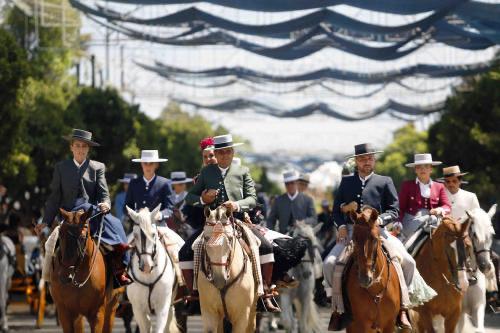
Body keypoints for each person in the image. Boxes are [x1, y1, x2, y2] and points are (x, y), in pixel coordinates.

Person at [323, 144, 434, 331]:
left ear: (374, 160)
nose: (367, 161)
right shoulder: (346, 182)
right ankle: (337, 308)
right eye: (363, 159)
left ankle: (403, 308)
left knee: (408, 262)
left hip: (378, 231)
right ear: (356, 161)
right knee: (329, 263)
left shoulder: (385, 181)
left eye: (370, 158)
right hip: (352, 232)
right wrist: (341, 225)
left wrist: (380, 220)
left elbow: (394, 209)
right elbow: (336, 210)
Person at [180, 134, 281, 313]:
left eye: (228, 152)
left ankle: (265, 292)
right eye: (221, 152)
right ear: (216, 154)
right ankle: (194, 294)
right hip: (212, 223)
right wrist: (203, 198)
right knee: (186, 251)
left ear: (233, 152)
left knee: (265, 247)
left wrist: (236, 205)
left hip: (238, 221)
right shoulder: (206, 173)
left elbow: (252, 198)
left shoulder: (243, 171)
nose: (225, 155)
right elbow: (189, 198)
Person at [37, 129, 132, 286]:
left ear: (88, 149)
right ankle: (48, 277)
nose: (81, 149)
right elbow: (54, 197)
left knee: (116, 223)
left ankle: (120, 270)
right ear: (71, 147)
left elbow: (104, 193)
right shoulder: (61, 167)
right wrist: (46, 221)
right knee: (49, 244)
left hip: (91, 214)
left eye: (84, 146)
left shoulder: (97, 167)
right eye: (78, 146)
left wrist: (106, 204)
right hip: (68, 217)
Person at [399, 153, 451, 238]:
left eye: (426, 166)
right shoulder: (407, 185)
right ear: (415, 169)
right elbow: (400, 208)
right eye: (419, 167)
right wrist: (398, 222)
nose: (423, 169)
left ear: (431, 169)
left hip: (433, 222)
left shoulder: (439, 186)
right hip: (411, 222)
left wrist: (439, 210)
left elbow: (447, 206)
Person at [166, 171, 193, 237]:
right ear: (173, 185)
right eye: (180, 184)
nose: (183, 186)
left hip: (185, 227)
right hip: (169, 227)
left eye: (184, 184)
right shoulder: (167, 197)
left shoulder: (189, 197)